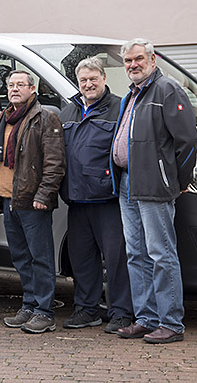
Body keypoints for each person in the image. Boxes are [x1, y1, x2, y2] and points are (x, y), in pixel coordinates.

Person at [112, 39, 197, 344]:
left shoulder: (167, 89)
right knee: (136, 254)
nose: (133, 65)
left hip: (154, 184)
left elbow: (187, 140)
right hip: (127, 183)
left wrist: (177, 179)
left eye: (138, 59)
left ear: (152, 58)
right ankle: (146, 318)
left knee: (161, 254)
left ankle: (171, 323)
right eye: (127, 61)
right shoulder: (132, 94)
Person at [0, 70, 65, 334]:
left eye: (20, 85)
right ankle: (28, 305)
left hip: (32, 201)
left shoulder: (45, 117)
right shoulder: (2, 117)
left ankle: (44, 311)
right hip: (8, 199)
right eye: (11, 85)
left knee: (40, 258)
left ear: (33, 89)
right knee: (20, 257)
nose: (14, 89)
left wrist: (44, 195)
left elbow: (55, 163)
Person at [56, 56, 133, 333]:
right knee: (82, 259)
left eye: (93, 79)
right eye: (83, 80)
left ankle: (122, 312)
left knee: (116, 260)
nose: (88, 84)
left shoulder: (120, 108)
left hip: (108, 199)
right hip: (76, 199)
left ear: (103, 79)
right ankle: (86, 309)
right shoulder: (68, 111)